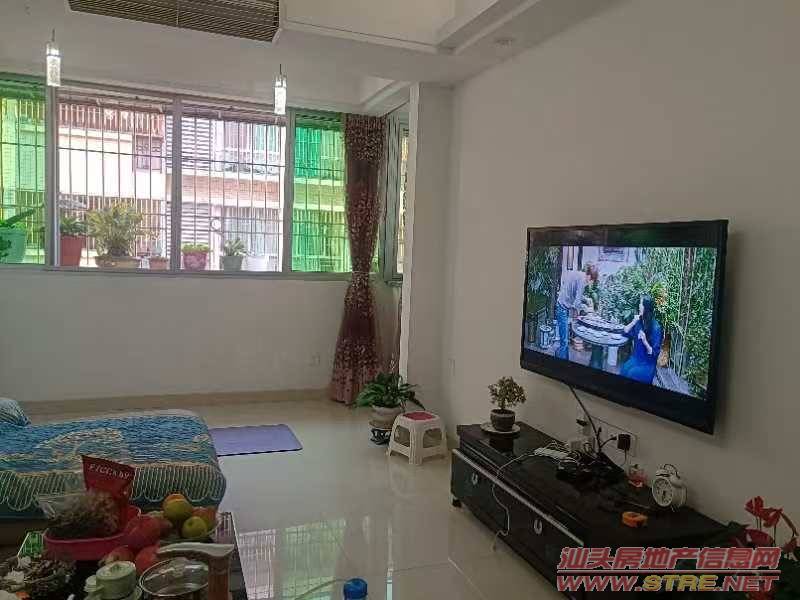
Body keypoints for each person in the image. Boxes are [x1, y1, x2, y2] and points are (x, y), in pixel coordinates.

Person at [555, 263, 599, 360]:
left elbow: (575, 294)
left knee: (564, 339)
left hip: (562, 306)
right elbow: (576, 304)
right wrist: (578, 319)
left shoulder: (579, 274)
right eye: (592, 280)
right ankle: (561, 364)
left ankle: (561, 357)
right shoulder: (583, 280)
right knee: (564, 341)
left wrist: (585, 299)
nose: (591, 283)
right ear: (589, 276)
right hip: (562, 308)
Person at [620, 295, 663, 384]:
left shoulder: (656, 328)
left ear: (646, 307)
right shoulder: (638, 322)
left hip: (647, 363)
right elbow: (624, 332)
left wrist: (645, 341)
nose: (639, 306)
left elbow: (654, 353)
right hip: (636, 358)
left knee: (631, 373)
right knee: (624, 369)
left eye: (641, 304)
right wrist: (633, 322)